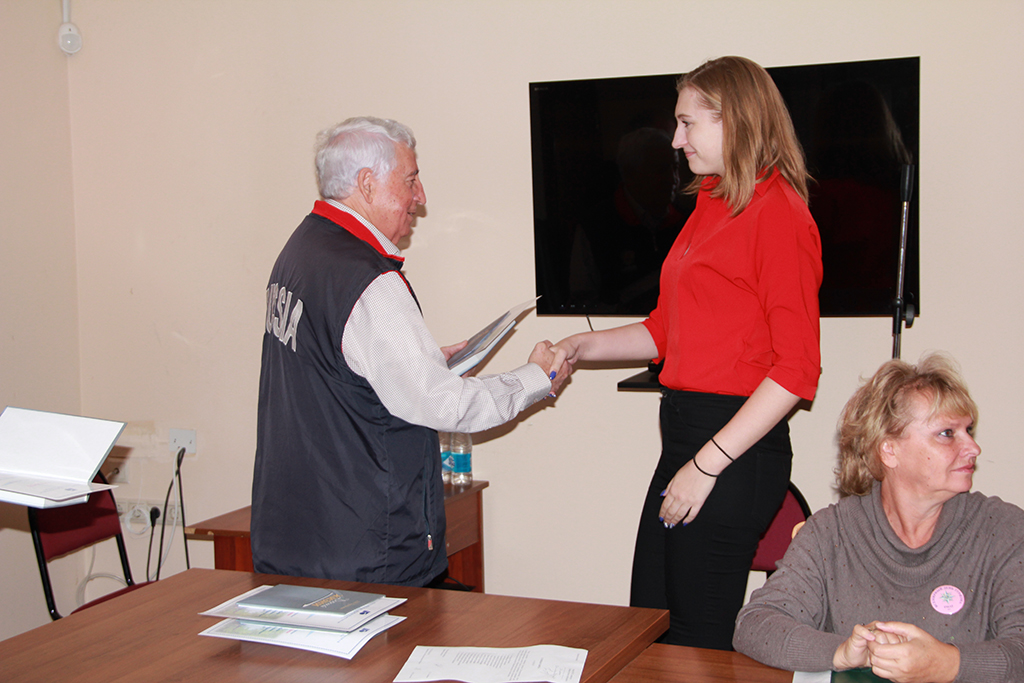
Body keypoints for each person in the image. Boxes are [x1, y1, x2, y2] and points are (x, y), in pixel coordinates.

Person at [553, 56, 822, 648]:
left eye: (687, 123)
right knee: (648, 627)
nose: (675, 141)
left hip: (730, 450)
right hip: (684, 439)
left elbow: (797, 371)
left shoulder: (779, 214)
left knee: (696, 644)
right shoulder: (712, 201)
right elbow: (665, 331)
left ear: (734, 120)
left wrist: (705, 466)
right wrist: (579, 345)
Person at [252, 116, 567, 587]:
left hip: (300, 535)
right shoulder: (370, 282)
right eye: (411, 179)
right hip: (366, 551)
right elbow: (444, 405)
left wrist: (418, 363)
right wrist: (535, 378)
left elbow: (332, 371)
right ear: (367, 183)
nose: (420, 197)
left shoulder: (301, 250)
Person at [734, 354, 1024, 683]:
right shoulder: (832, 532)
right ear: (889, 450)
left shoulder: (1004, 530)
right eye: (947, 433)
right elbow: (754, 626)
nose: (973, 447)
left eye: (968, 430)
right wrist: (843, 652)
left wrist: (946, 663)